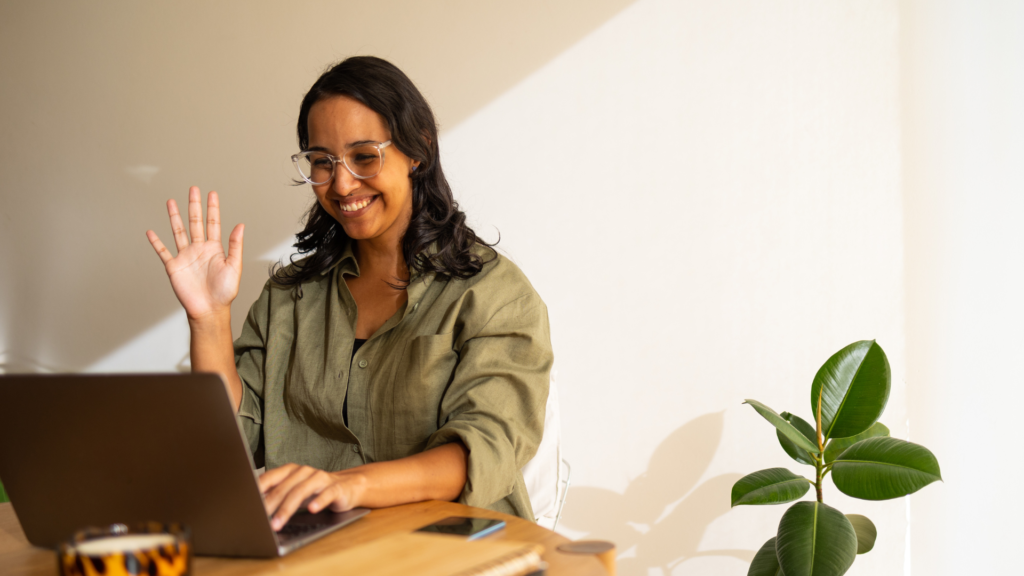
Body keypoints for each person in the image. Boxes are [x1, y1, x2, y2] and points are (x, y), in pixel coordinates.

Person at [146, 57, 552, 529]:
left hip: (449, 549)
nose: (341, 184)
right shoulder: (289, 297)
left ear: (418, 150)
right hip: (316, 548)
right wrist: (209, 319)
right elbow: (230, 444)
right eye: (323, 162)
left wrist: (346, 485)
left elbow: (484, 449)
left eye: (364, 156)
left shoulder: (492, 294)